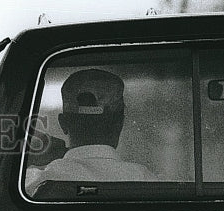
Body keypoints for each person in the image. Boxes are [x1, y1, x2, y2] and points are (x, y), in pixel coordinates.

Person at [24, 68, 156, 195]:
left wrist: (26, 159)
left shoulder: (35, 183)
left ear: (62, 123)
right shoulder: (147, 181)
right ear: (120, 123)